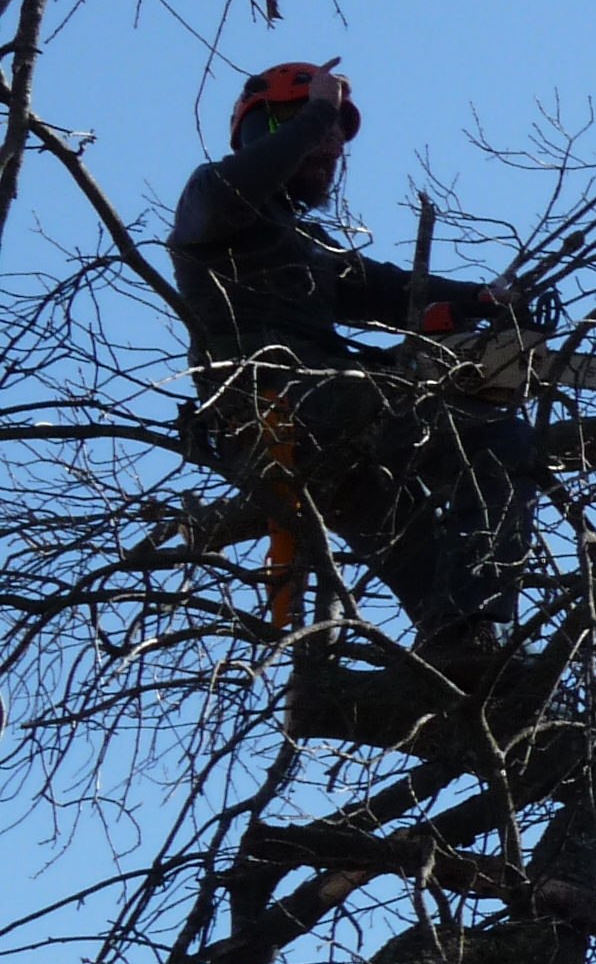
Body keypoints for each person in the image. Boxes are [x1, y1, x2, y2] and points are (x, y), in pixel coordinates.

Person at [168, 59, 537, 652]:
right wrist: (316, 111)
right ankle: (479, 614)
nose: (331, 147)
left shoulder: (305, 242)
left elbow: (388, 291)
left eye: (336, 137)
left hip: (321, 426)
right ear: (268, 128)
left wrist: (476, 300)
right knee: (494, 436)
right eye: (318, 132)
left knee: (411, 535)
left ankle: (466, 646)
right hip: (286, 403)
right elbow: (236, 191)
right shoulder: (209, 198)